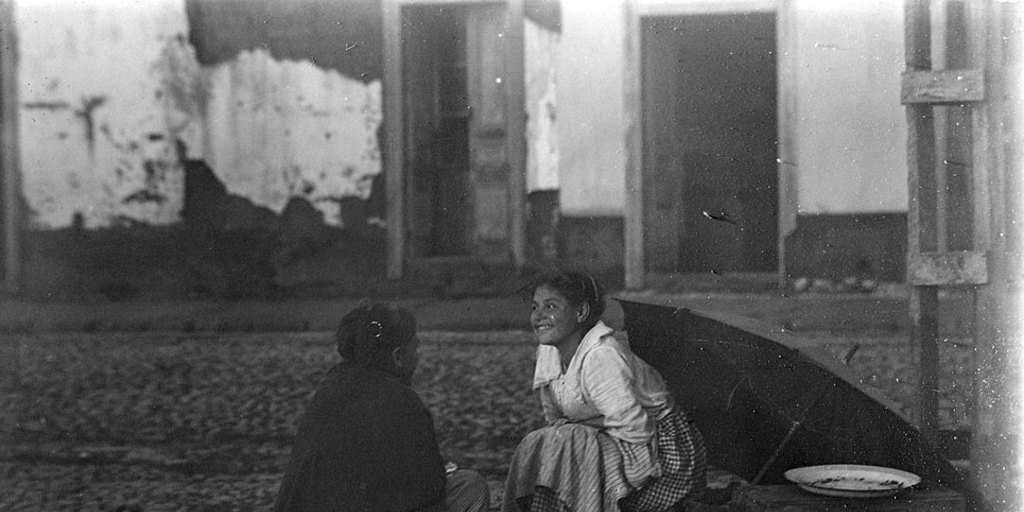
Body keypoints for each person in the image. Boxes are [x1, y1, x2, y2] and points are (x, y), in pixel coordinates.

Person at [503, 270, 707, 512]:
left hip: (662, 458)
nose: (539, 316)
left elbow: (637, 433)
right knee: (541, 440)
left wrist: (583, 442)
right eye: (535, 307)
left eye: (551, 307)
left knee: (570, 441)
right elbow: (555, 422)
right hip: (609, 441)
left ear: (581, 312)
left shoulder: (601, 356)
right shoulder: (548, 352)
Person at [275, 303, 490, 512]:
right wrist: (450, 469)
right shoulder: (403, 401)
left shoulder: (328, 389)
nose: (417, 357)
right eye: (415, 348)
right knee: (470, 485)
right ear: (397, 356)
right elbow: (429, 491)